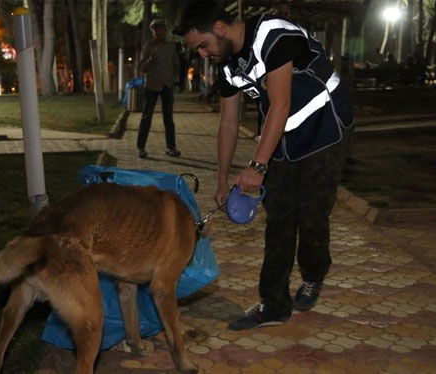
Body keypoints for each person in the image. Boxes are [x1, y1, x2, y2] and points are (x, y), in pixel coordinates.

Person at [176, 4, 354, 330]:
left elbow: (281, 103)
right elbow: (228, 124)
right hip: (282, 138)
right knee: (279, 221)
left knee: (311, 215)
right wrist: (221, 181)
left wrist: (257, 167)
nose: (202, 55)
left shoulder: (273, 34)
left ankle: (314, 272)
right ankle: (274, 305)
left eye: (202, 45)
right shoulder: (227, 65)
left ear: (219, 28)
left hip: (326, 129)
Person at [136, 18, 181, 159]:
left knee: (168, 118)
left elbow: (176, 64)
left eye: (161, 28)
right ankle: (141, 147)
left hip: (167, 85)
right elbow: (142, 68)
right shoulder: (148, 47)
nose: (158, 31)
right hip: (152, 85)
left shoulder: (171, 46)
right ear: (152, 31)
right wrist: (150, 60)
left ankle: (171, 147)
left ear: (165, 30)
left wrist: (174, 78)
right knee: (146, 117)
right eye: (155, 29)